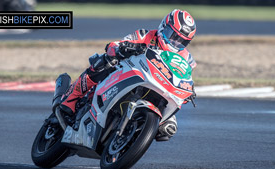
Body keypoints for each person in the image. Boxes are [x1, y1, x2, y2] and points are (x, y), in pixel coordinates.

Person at [60, 9, 197, 141]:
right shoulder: (145, 35)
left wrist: (189, 91)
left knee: (169, 128)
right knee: (103, 62)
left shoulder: (186, 58)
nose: (175, 42)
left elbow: (185, 79)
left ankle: (131, 136)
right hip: (128, 72)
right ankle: (70, 97)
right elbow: (114, 46)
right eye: (172, 36)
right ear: (163, 26)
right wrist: (124, 48)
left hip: (160, 89)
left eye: (181, 41)